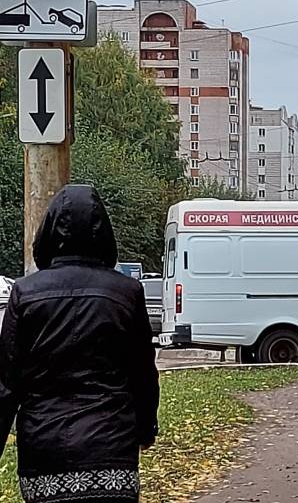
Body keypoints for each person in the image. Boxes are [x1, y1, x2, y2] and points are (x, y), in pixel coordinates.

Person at [0, 185, 159, 502]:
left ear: (48, 231)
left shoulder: (25, 293)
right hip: (111, 447)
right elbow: (142, 372)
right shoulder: (127, 292)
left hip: (44, 448)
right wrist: (145, 429)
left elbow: (7, 382)